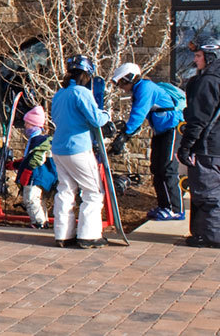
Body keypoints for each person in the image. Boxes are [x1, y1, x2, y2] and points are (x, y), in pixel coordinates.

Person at [179, 38, 220, 249]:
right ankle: (200, 233)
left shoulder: (208, 81)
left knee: (208, 193)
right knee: (202, 190)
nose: (195, 60)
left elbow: (199, 118)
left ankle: (213, 237)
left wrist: (186, 145)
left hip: (209, 143)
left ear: (210, 57)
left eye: (198, 56)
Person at [109, 61, 187, 221]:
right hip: (161, 131)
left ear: (129, 78)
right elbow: (139, 117)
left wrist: (124, 136)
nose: (121, 87)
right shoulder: (140, 90)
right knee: (156, 168)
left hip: (172, 128)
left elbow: (138, 114)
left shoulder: (145, 88)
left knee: (167, 168)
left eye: (121, 83)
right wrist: (125, 134)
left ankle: (175, 209)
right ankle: (164, 205)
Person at [49, 55, 111, 249]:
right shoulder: (81, 92)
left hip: (59, 148)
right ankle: (89, 235)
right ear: (87, 74)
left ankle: (63, 234)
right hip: (78, 148)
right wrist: (107, 116)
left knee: (65, 191)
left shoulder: (60, 94)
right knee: (93, 191)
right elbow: (95, 119)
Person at [17, 105, 53, 227]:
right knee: (39, 199)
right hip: (42, 176)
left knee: (30, 198)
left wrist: (27, 170)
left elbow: (37, 158)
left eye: (27, 124)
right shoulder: (41, 140)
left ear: (33, 124)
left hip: (35, 175)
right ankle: (44, 220)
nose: (25, 126)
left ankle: (39, 222)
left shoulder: (38, 140)